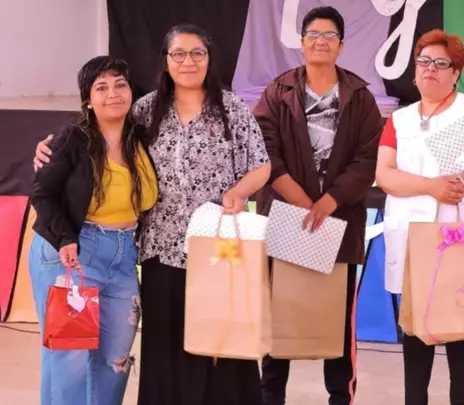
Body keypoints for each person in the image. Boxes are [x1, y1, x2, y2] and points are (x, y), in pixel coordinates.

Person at [33, 24, 271, 405]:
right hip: (159, 249)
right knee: (155, 347)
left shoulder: (233, 109)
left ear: (209, 59)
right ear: (165, 61)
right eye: (178, 54)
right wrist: (49, 146)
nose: (188, 61)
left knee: (220, 344)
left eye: (197, 53)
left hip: (216, 248)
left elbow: (261, 165)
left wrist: (240, 192)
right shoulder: (145, 109)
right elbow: (99, 129)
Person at [375, 29, 464, 405]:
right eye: (423, 61)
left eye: (441, 63)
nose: (430, 69)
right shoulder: (399, 119)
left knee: (462, 342)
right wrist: (431, 187)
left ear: (456, 73)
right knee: (415, 341)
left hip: (462, 241)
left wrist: (463, 180)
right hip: (415, 241)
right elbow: (384, 175)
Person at [252, 6, 383, 405]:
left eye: (329, 36)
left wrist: (329, 201)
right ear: (302, 42)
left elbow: (367, 159)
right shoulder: (278, 91)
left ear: (341, 45)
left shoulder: (359, 97)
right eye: (313, 34)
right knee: (279, 318)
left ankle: (339, 397)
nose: (321, 41)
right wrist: (303, 201)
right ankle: (270, 397)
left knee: (337, 323)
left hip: (337, 221)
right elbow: (263, 150)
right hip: (286, 218)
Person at [29, 55, 158, 405]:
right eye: (101, 87)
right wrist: (65, 239)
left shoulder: (142, 137)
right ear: (88, 99)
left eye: (120, 84)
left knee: (116, 359)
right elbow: (43, 194)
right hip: (71, 253)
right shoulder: (72, 139)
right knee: (68, 359)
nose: (113, 93)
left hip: (123, 256)